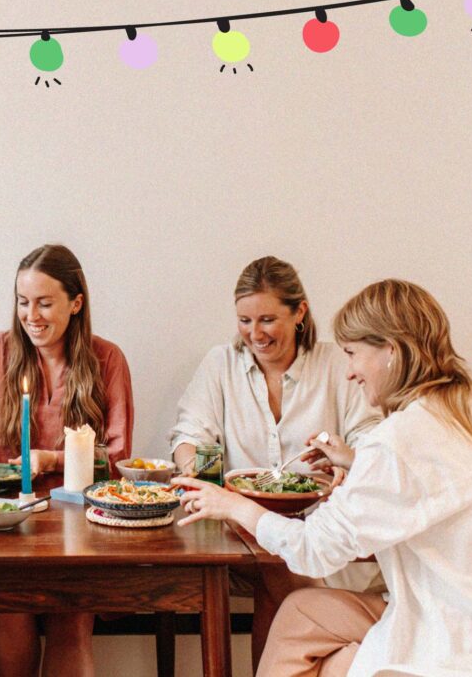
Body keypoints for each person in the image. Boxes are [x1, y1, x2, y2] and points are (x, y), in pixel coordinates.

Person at [174, 279, 472, 677]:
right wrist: (356, 461)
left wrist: (233, 505)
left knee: (334, 663)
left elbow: (313, 550)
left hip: (453, 634)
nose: (349, 372)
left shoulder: (398, 441)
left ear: (391, 353)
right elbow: (423, 484)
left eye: (352, 354)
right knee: (300, 610)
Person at [0, 244, 134, 677]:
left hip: (78, 525)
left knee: (71, 618)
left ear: (75, 303)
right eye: (22, 302)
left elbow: (118, 460)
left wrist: (52, 459)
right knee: (7, 607)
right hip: (2, 522)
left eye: (44, 303)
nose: (31, 315)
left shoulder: (107, 359)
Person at [168, 256, 383, 665]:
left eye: (267, 319)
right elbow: (189, 436)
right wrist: (193, 466)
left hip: (322, 532)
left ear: (299, 311)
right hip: (236, 533)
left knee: (277, 564)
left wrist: (344, 459)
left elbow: (371, 440)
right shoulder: (221, 364)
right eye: (244, 321)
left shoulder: (337, 364)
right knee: (274, 562)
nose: (255, 334)